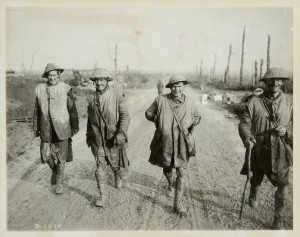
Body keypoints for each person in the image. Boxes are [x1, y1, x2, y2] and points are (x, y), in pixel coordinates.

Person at [238, 68, 293, 229]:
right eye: (271, 80)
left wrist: (287, 131)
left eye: (278, 80)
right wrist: (247, 137)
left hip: (280, 149)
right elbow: (244, 123)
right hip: (259, 147)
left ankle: (278, 219)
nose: (275, 83)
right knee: (257, 174)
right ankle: (254, 189)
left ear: (282, 82)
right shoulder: (254, 102)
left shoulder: (291, 102)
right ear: (265, 82)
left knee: (283, 184)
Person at [145, 74, 201, 217]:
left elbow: (197, 117)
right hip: (165, 142)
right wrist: (158, 119)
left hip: (182, 142)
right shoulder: (160, 100)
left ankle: (178, 205)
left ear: (184, 87)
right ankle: (170, 184)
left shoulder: (190, 102)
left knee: (181, 172)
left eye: (180, 86)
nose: (177, 89)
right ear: (170, 88)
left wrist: (191, 123)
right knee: (167, 169)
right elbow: (148, 113)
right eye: (174, 86)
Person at [86, 69, 130, 207]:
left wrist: (121, 132)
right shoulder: (91, 98)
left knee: (115, 164)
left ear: (107, 81)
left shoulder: (117, 95)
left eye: (102, 80)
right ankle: (102, 196)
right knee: (99, 167)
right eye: (96, 80)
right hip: (98, 139)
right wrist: (88, 135)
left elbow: (125, 115)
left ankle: (117, 174)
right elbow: (90, 119)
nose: (99, 82)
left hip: (113, 138)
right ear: (94, 82)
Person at [33, 63, 79, 194]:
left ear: (58, 75)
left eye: (54, 75)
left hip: (62, 127)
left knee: (61, 157)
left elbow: (72, 109)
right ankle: (57, 172)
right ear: (46, 76)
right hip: (46, 128)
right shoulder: (39, 89)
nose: (52, 77)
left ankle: (59, 183)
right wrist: (36, 127)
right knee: (45, 155)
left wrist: (74, 126)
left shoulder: (65, 88)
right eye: (50, 75)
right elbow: (36, 111)